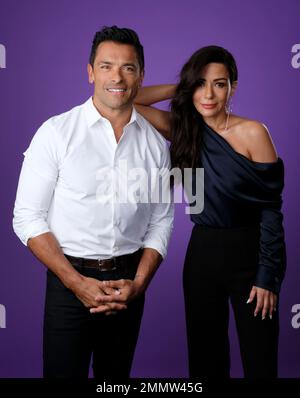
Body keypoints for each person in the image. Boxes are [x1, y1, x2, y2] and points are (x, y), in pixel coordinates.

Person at [13, 26, 173, 378]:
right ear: (90, 72)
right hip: (69, 282)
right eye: (106, 66)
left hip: (128, 286)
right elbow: (27, 217)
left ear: (141, 76)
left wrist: (140, 283)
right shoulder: (55, 133)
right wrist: (75, 282)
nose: (117, 76)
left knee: (114, 382)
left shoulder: (156, 146)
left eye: (128, 67)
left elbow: (161, 221)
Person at [134, 45, 286, 378]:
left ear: (233, 86)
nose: (209, 94)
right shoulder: (184, 130)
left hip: (250, 253)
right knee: (206, 360)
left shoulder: (254, 132)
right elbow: (131, 98)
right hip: (202, 256)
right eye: (201, 84)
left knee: (260, 359)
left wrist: (267, 276)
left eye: (219, 83)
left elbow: (271, 211)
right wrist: (185, 86)